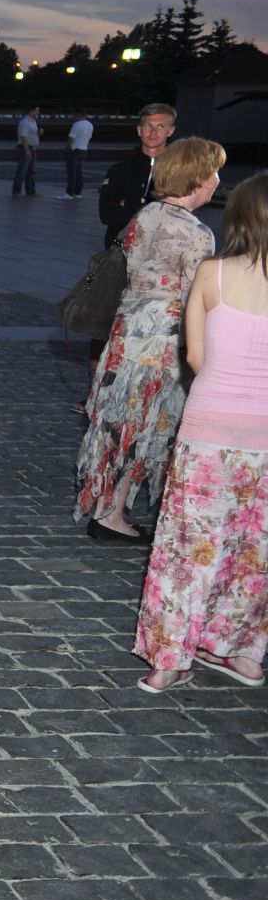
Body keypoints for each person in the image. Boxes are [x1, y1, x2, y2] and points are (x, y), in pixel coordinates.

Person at [133, 172, 268, 692]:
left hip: (210, 428)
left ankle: (169, 661)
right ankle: (245, 654)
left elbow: (193, 356)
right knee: (255, 548)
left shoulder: (211, 275)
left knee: (190, 546)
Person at [75, 138, 225, 543]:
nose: (217, 180)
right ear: (197, 177)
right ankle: (110, 517)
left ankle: (106, 508)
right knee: (147, 426)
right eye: (213, 171)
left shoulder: (146, 215)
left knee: (119, 422)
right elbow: (197, 298)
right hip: (162, 342)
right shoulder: (197, 234)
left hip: (126, 332)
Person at [98, 103, 177, 248]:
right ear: (139, 130)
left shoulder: (178, 171)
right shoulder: (119, 170)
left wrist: (128, 206)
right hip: (120, 253)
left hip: (161, 253)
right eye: (148, 126)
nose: (153, 132)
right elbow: (107, 214)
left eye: (160, 126)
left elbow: (178, 216)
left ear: (170, 131)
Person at [61, 107, 93, 201]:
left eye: (74, 114)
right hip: (84, 149)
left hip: (74, 150)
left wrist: (67, 148)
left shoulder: (77, 125)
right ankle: (78, 192)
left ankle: (69, 193)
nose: (73, 116)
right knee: (78, 172)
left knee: (71, 172)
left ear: (79, 114)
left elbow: (71, 138)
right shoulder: (90, 125)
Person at [12, 106, 40, 197]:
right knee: (22, 170)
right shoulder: (24, 122)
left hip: (32, 148)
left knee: (31, 171)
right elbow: (23, 137)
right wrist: (27, 150)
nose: (37, 113)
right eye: (36, 111)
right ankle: (16, 191)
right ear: (31, 111)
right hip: (25, 148)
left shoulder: (33, 122)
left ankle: (31, 190)